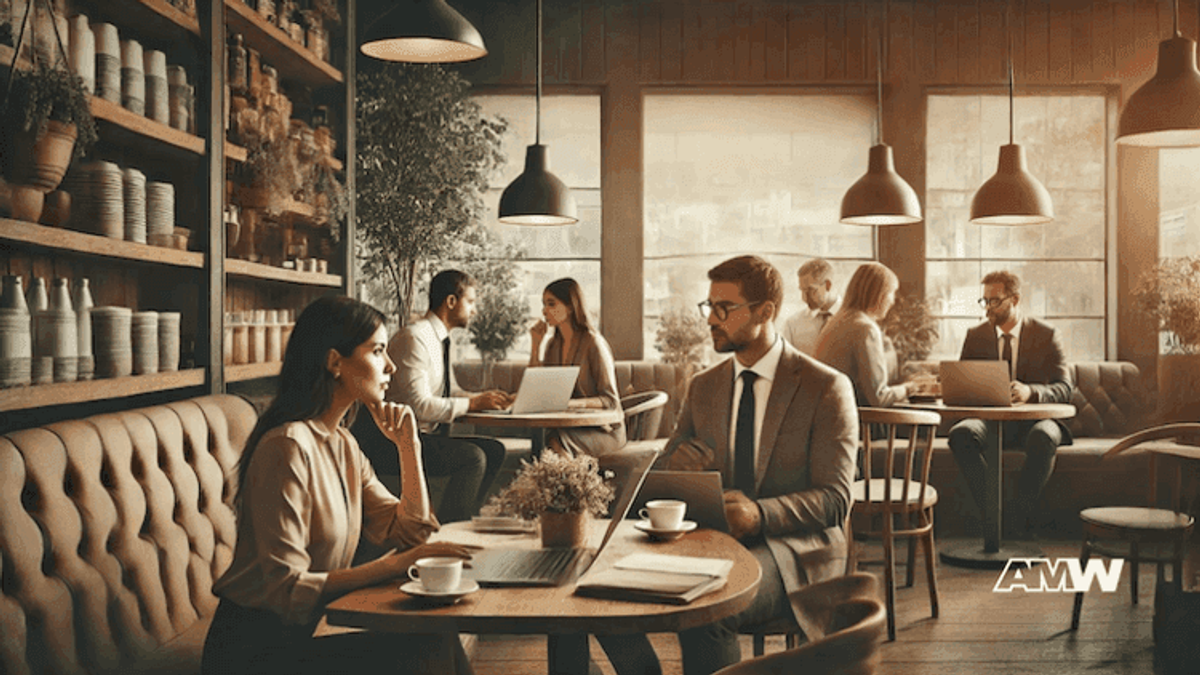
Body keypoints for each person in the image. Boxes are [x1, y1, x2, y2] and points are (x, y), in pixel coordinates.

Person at [202, 295, 476, 675]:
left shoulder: (343, 444)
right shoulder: (287, 446)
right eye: (378, 351)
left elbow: (414, 532)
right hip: (254, 651)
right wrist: (397, 565)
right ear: (335, 362)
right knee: (429, 649)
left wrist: (408, 447)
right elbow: (288, 589)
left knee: (437, 638)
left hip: (301, 635)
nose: (391, 366)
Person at [652, 255, 859, 675]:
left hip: (796, 552)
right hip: (709, 544)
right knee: (605, 598)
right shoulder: (702, 387)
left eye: (723, 308)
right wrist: (678, 465)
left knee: (708, 609)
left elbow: (836, 499)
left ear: (766, 312)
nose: (711, 318)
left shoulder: (826, 388)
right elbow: (664, 474)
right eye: (708, 307)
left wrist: (759, 514)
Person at [948, 270, 1075, 538]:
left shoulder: (1046, 335)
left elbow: (1065, 388)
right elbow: (962, 385)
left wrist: (1031, 392)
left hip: (1037, 422)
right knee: (960, 434)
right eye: (984, 301)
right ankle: (995, 514)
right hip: (989, 422)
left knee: (1044, 437)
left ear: (1015, 300)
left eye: (994, 301)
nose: (987, 309)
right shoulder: (976, 336)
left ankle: (1016, 520)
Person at [379, 270, 511, 523]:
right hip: (397, 440)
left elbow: (447, 392)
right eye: (470, 302)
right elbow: (419, 405)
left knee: (494, 450)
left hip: (425, 435)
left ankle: (465, 519)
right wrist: (472, 403)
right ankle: (449, 528)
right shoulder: (415, 338)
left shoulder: (437, 339)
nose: (474, 311)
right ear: (451, 301)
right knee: (473, 457)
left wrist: (486, 399)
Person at [528, 277, 626, 457]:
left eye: (551, 304)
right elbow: (538, 393)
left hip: (604, 431)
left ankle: (565, 484)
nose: (544, 311)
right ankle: (564, 484)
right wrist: (535, 346)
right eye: (543, 304)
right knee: (548, 440)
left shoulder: (593, 343)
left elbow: (611, 401)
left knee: (555, 442)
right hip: (568, 428)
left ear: (571, 306)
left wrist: (570, 404)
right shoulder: (552, 345)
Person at [814, 262, 916, 407]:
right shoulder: (866, 329)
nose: (893, 301)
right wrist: (908, 389)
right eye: (891, 292)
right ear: (878, 294)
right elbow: (879, 398)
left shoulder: (836, 321)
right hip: (855, 423)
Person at [780, 258, 841, 354]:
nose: (804, 298)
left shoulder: (856, 320)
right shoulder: (792, 325)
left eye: (810, 290)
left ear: (827, 285)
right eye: (802, 290)